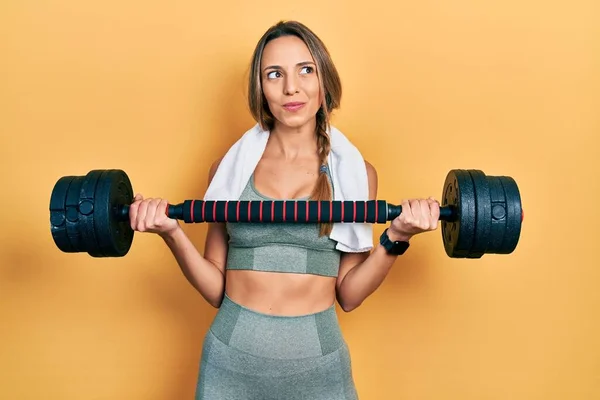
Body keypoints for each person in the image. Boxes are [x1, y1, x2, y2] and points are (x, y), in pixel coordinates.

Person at [128, 20, 440, 400]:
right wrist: (171, 232)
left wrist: (397, 237)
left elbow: (350, 294)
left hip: (318, 367)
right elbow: (214, 288)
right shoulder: (229, 169)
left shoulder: (355, 174)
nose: (291, 87)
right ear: (261, 89)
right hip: (229, 363)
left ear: (324, 81)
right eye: (274, 74)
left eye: (305, 70)